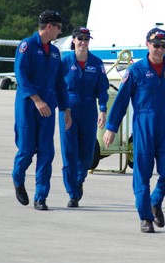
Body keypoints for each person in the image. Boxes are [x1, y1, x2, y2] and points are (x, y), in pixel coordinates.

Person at [102, 28, 165, 233]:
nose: (159, 49)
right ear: (147, 45)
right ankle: (145, 218)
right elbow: (122, 100)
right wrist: (111, 128)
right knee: (142, 174)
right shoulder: (136, 70)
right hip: (143, 126)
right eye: (156, 45)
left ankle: (155, 201)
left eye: (163, 45)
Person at [12, 10, 72, 211]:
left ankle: (41, 197)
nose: (60, 31)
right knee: (27, 150)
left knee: (47, 153)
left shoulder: (55, 53)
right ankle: (18, 178)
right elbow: (21, 77)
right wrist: (37, 100)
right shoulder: (26, 46)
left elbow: (60, 84)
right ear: (49, 26)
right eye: (58, 27)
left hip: (48, 109)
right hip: (28, 107)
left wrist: (66, 110)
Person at [59, 27, 109, 208]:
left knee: (87, 154)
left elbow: (102, 88)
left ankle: (79, 179)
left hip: (88, 110)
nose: (83, 42)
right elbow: (58, 86)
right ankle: (72, 193)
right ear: (73, 40)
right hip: (68, 110)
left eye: (86, 39)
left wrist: (103, 109)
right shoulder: (65, 62)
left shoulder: (96, 63)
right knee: (69, 152)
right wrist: (63, 107)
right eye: (80, 38)